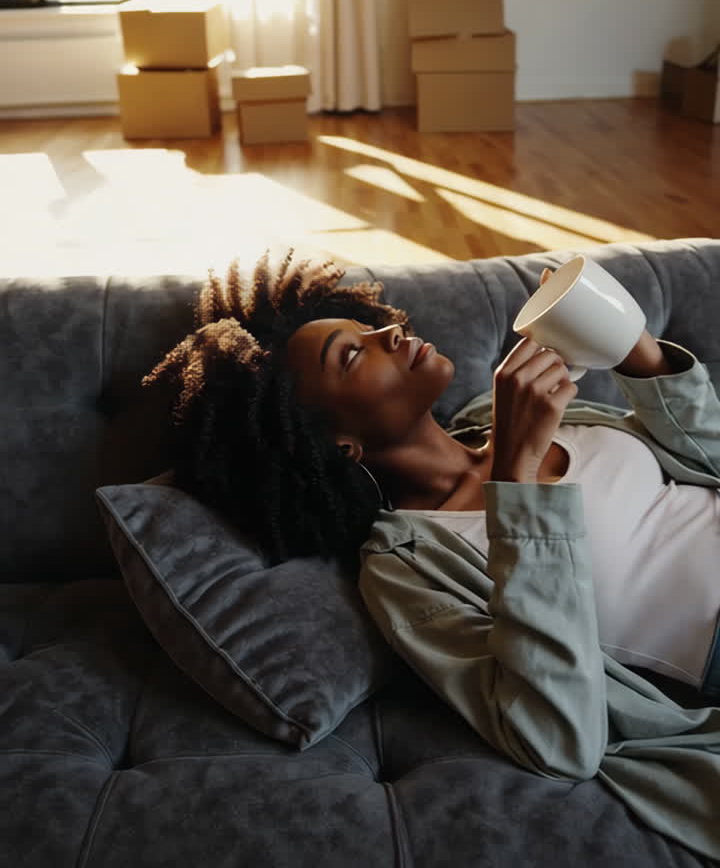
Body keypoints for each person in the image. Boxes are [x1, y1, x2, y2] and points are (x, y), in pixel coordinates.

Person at [145, 248, 720, 862]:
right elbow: (557, 737)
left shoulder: (497, 417)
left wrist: (635, 347)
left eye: (369, 327)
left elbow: (705, 464)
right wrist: (516, 483)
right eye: (353, 354)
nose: (391, 332)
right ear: (341, 446)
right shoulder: (407, 563)